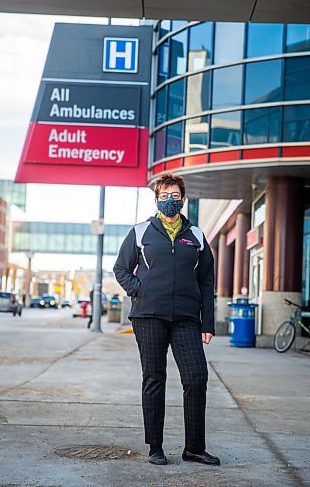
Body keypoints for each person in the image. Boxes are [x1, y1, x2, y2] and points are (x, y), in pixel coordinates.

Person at [113, 173, 220, 466]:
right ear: (156, 200)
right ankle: (155, 447)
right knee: (154, 378)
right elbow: (121, 269)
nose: (169, 200)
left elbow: (207, 281)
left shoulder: (195, 235)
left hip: (186, 317)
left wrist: (207, 323)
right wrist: (140, 290)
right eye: (164, 196)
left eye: (174, 195)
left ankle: (194, 447)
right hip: (148, 316)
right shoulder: (140, 231)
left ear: (182, 200)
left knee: (197, 377)